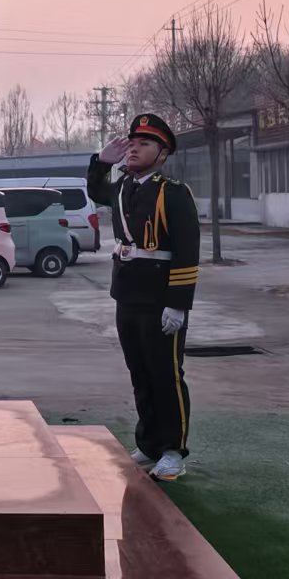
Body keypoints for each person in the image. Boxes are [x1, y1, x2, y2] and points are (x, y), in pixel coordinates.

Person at [86, 113, 201, 481]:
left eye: (145, 144)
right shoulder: (123, 188)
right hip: (128, 293)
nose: (134, 149)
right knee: (140, 372)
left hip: (160, 296)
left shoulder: (174, 193)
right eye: (132, 143)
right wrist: (100, 162)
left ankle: (173, 450)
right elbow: (95, 191)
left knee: (165, 373)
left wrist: (178, 304)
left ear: (162, 154)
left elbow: (187, 251)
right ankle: (149, 443)